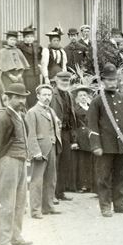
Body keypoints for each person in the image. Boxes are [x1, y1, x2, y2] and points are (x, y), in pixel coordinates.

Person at [88, 63, 123, 217]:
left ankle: (119, 204)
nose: (111, 83)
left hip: (121, 146)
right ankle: (105, 206)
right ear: (103, 81)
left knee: (120, 176)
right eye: (108, 80)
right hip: (105, 147)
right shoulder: (97, 101)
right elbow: (92, 125)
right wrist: (96, 145)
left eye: (114, 80)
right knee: (103, 177)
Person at [0, 83, 33, 245]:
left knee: (20, 201)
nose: (21, 100)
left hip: (20, 160)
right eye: (17, 97)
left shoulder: (20, 115)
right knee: (7, 202)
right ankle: (3, 242)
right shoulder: (3, 117)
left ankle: (15, 236)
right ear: (8, 99)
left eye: (23, 97)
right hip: (9, 160)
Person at [26, 84, 62, 218]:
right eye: (44, 95)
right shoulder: (32, 112)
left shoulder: (51, 111)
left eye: (49, 95)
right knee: (37, 181)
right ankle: (35, 211)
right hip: (40, 150)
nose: (47, 97)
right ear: (38, 96)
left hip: (52, 147)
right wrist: (36, 151)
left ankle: (48, 206)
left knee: (51, 179)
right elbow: (31, 134)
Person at [51, 71, 77, 201]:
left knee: (64, 163)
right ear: (56, 81)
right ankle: (52, 194)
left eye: (67, 81)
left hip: (66, 133)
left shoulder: (69, 95)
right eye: (62, 81)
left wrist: (73, 136)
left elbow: (72, 116)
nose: (65, 83)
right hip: (54, 133)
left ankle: (60, 192)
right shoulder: (51, 94)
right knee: (54, 163)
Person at [71, 85, 95, 192]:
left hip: (91, 136)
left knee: (91, 161)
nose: (83, 97)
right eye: (80, 95)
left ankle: (91, 184)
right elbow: (73, 126)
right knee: (82, 162)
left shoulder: (91, 107)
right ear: (77, 98)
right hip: (81, 136)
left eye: (85, 95)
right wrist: (75, 140)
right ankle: (82, 185)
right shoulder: (75, 109)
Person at [18, 25, 42, 107]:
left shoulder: (36, 46)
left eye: (31, 37)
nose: (29, 39)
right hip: (27, 73)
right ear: (24, 38)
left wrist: (39, 65)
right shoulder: (20, 47)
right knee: (29, 93)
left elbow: (39, 57)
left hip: (36, 73)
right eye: (27, 37)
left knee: (37, 92)